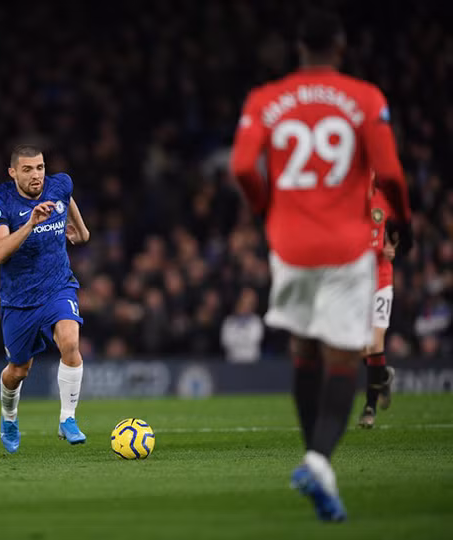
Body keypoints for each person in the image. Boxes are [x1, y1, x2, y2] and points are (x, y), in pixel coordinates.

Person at [230, 9, 412, 521]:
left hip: (288, 243)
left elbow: (243, 166)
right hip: (347, 245)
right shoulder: (364, 98)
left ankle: (314, 460)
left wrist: (266, 204)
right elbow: (391, 173)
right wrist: (405, 220)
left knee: (303, 350)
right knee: (343, 357)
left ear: (299, 47)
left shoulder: (265, 100)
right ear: (340, 44)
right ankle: (317, 459)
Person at [0, 144, 90, 453]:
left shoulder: (60, 184)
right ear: (13, 172)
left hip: (58, 286)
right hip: (19, 299)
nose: (36, 175)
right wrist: (30, 224)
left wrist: (82, 232)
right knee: (18, 370)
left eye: (40, 168)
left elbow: (66, 198)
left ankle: (67, 419)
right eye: (28, 169)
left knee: (70, 342)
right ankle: (9, 416)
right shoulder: (0, 199)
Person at [358, 182, 398, 428]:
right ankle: (383, 375)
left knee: (374, 344)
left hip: (381, 281)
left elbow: (396, 231)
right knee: (362, 349)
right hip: (354, 284)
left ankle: (369, 407)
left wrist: (393, 247)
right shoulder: (343, 201)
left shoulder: (384, 200)